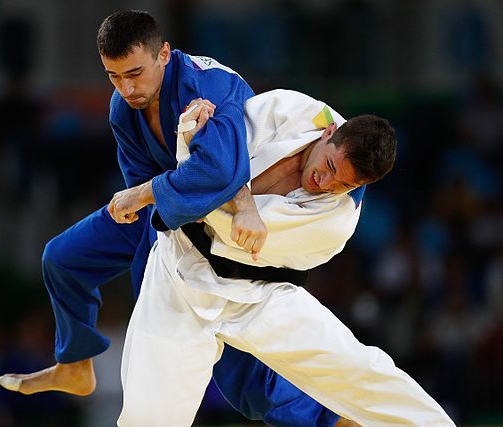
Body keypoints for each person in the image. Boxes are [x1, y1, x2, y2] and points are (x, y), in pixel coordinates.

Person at [0, 9, 344, 427]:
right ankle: (75, 364)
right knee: (61, 258)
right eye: (114, 76)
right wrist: (145, 204)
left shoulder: (208, 86)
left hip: (220, 230)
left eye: (134, 73)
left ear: (163, 53)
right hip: (163, 212)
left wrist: (150, 203)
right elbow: (140, 187)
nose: (126, 88)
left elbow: (221, 173)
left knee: (240, 377)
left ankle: (329, 420)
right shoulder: (123, 108)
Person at [116, 90, 455, 426]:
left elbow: (220, 210)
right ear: (329, 133)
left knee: (359, 370)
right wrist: (198, 143)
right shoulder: (292, 109)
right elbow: (218, 144)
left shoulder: (337, 221)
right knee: (147, 417)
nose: (325, 182)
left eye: (343, 184)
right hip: (179, 270)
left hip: (258, 294)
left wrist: (197, 156)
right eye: (330, 166)